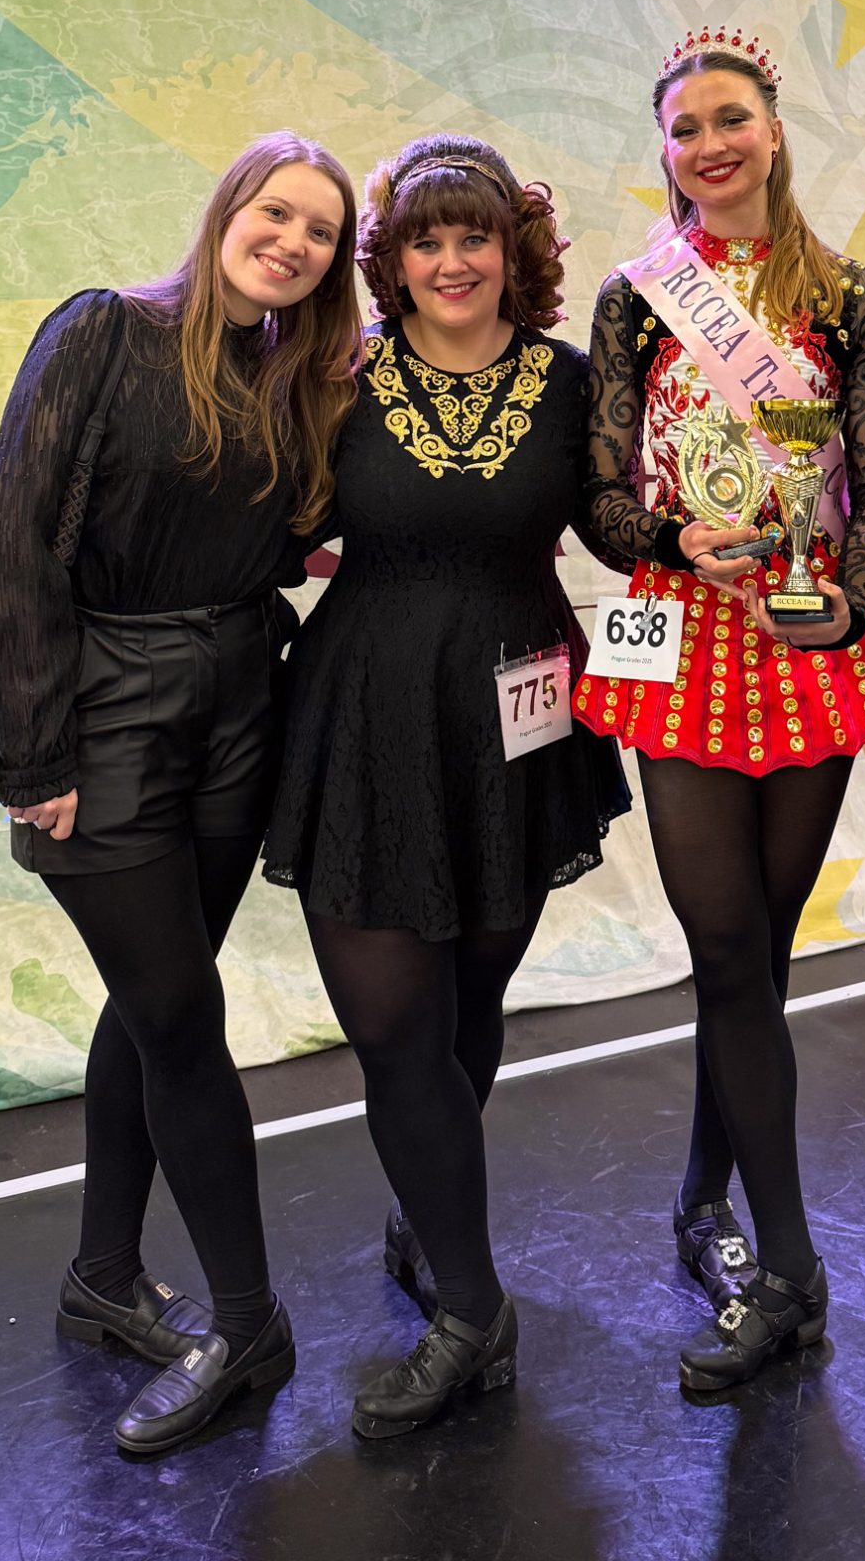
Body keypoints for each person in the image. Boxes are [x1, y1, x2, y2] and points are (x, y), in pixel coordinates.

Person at [0, 132, 363, 1457]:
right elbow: (2, 544)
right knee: (183, 1016)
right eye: (276, 212)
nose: (291, 242)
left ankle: (103, 1278)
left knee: (152, 1003)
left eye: (320, 232)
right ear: (228, 209)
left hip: (237, 702)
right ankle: (248, 1322)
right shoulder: (105, 333)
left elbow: (256, 534)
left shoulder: (286, 374)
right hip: (107, 709)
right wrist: (30, 755)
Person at [264, 134, 630, 1440]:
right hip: (364, 719)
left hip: (517, 729)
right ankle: (476, 1315)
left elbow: (615, 528)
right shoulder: (339, 374)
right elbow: (269, 518)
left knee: (472, 1003)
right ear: (394, 261)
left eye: (475, 236)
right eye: (426, 240)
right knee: (394, 1028)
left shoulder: (571, 379)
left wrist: (706, 532)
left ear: (514, 251)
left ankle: (431, 1228)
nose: (454, 261)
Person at [574, 28, 865, 1392]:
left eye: (730, 119)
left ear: (773, 129)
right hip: (684, 635)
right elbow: (598, 498)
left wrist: (855, 595)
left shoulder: (848, 297)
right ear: (665, 151)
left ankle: (701, 1198)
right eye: (684, 128)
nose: (708, 145)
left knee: (759, 956)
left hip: (805, 630)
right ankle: (790, 1268)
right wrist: (670, 537)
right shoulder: (634, 300)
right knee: (723, 948)